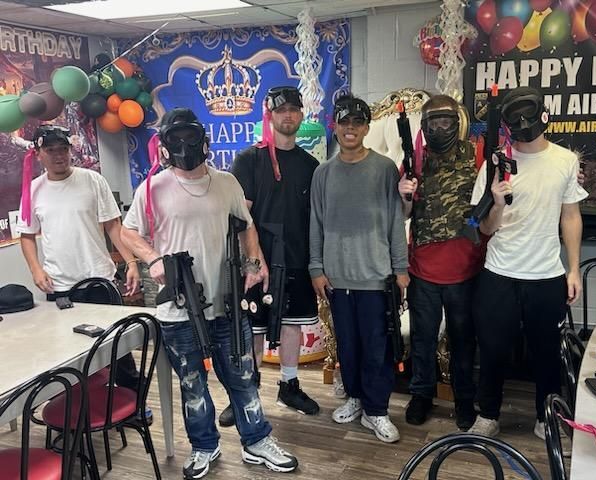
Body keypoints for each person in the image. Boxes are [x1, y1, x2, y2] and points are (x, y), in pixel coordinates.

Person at [120, 108, 298, 479]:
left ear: (204, 140)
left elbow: (245, 226)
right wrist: (154, 259)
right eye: (175, 139)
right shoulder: (151, 188)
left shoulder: (227, 183)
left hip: (227, 301)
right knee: (192, 384)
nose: (184, 146)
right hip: (179, 308)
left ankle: (256, 441)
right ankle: (204, 446)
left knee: (244, 376)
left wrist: (254, 263)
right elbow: (128, 232)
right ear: (165, 146)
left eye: (190, 137)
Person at [466, 86, 588, 439]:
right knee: (491, 348)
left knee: (546, 352)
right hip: (499, 273)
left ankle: (545, 416)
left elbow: (571, 216)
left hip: (546, 274)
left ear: (541, 116)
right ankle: (488, 415)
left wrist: (574, 267)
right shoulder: (495, 164)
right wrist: (498, 203)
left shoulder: (565, 161)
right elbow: (484, 228)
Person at [16, 125, 146, 411]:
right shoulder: (34, 190)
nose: (58, 155)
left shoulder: (92, 180)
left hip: (99, 280)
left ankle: (134, 406)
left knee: (118, 350)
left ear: (70, 150)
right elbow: (26, 236)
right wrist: (37, 270)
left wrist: (132, 262)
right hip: (60, 287)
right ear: (38, 154)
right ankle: (78, 410)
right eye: (50, 150)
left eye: (63, 149)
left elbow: (113, 226)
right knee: (68, 354)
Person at [216, 86, 320, 427]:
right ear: (269, 114)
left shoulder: (311, 165)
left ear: (301, 115)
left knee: (291, 324)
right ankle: (247, 391)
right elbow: (240, 218)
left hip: (297, 256)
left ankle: (289, 385)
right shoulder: (249, 160)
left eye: (293, 109)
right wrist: (252, 262)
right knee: (254, 328)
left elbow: (315, 219)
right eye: (281, 110)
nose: (288, 115)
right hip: (256, 259)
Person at [309, 94, 409, 443]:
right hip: (337, 278)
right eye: (344, 123)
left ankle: (377, 410)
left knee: (377, 347)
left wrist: (400, 269)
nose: (350, 129)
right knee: (348, 345)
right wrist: (316, 268)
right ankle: (354, 397)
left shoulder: (384, 169)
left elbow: (397, 220)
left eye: (357, 124)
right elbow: (316, 224)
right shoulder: (323, 174)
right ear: (335, 127)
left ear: (366, 128)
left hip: (376, 277)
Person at [397, 95, 483, 430]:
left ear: (457, 122)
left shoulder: (476, 154)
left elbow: (493, 200)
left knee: (463, 339)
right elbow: (404, 214)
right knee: (422, 338)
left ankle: (464, 400)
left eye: (445, 121)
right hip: (423, 270)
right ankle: (421, 395)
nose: (439, 128)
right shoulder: (414, 160)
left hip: (465, 269)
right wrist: (404, 194)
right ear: (423, 126)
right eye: (432, 122)